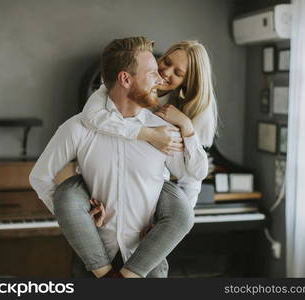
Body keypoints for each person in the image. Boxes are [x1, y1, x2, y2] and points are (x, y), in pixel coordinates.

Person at [29, 36, 202, 278]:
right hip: (94, 261)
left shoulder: (164, 131)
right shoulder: (77, 128)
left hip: (147, 263)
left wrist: (165, 230)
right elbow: (40, 178)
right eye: (152, 72)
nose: (160, 79)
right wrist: (77, 220)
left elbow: (192, 177)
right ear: (125, 79)